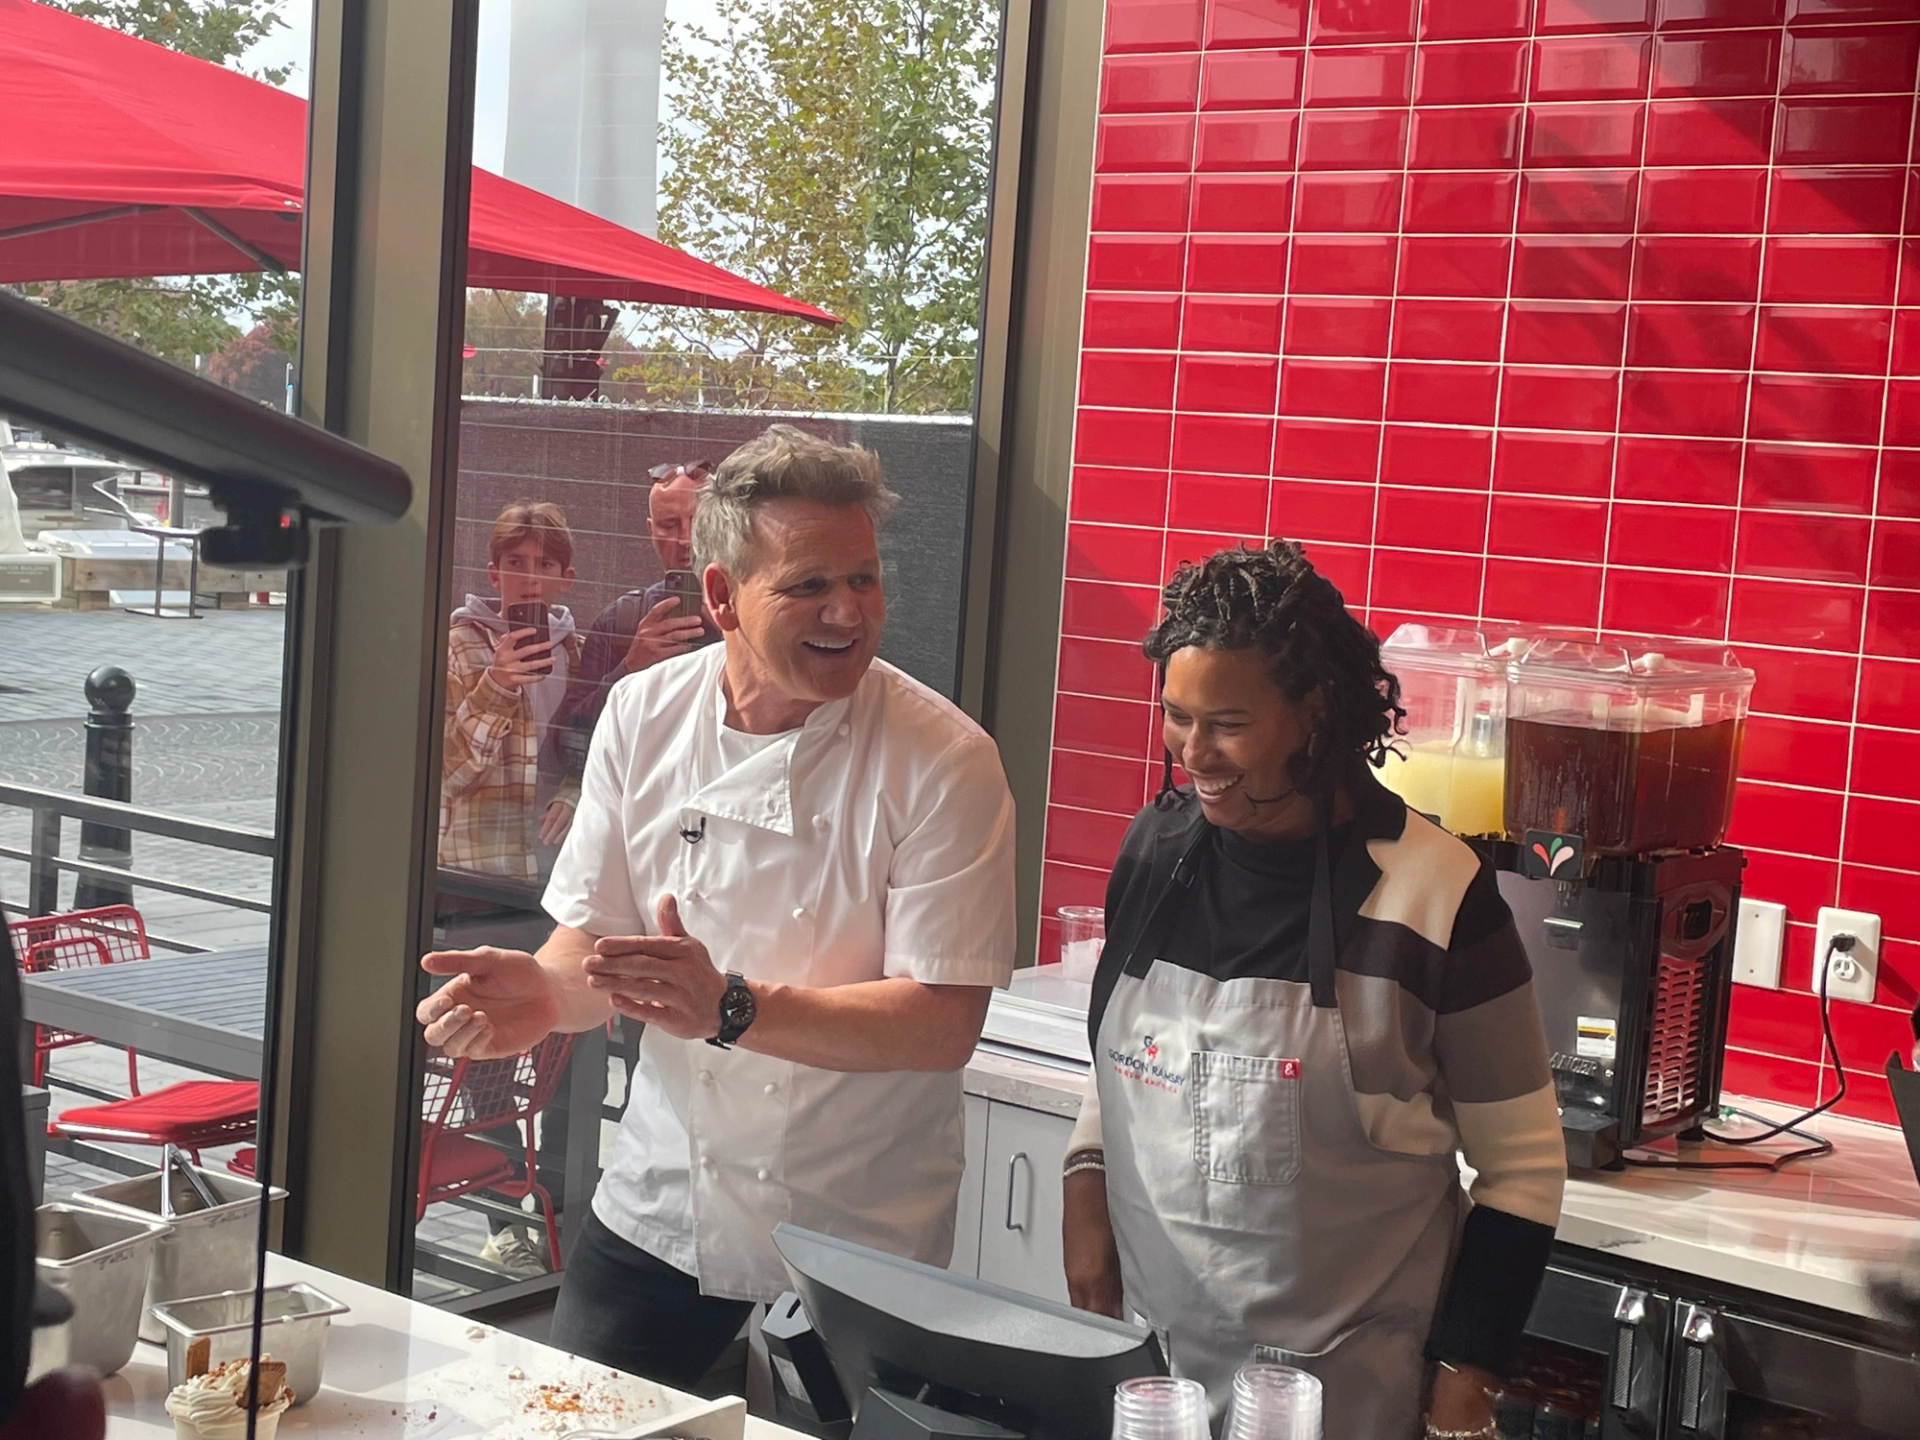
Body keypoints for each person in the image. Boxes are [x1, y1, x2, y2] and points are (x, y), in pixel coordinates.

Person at [415, 424, 1017, 1388]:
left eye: (862, 579)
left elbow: (943, 1021)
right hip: (662, 1196)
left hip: (858, 1227)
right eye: (809, 584)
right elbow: (595, 944)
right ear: (719, 595)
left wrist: (730, 1008)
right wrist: (545, 994)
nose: (848, 611)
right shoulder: (643, 711)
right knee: (577, 1418)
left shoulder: (944, 759)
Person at [1061, 542, 1566, 1440]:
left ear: (1315, 713)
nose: (1194, 752)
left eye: (1227, 722)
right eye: (1176, 716)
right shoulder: (1154, 854)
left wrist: (1459, 1396)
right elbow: (1121, 1064)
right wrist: (1084, 1188)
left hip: (1346, 1401)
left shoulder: (1435, 892)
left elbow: (1522, 1172)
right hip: (1154, 1387)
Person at [440, 500, 583, 881]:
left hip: (557, 867)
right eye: (516, 563)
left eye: (544, 565)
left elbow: (598, 753)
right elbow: (449, 774)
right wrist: (496, 685)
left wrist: (574, 794)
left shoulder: (580, 656)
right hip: (477, 867)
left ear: (565, 578)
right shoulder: (456, 648)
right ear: (494, 574)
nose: (530, 578)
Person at [557, 460, 720, 773]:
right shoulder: (621, 622)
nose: (685, 539)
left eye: (697, 522)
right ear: (650, 531)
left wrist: (734, 640)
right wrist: (629, 668)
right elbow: (568, 744)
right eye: (669, 525)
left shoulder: (753, 616)